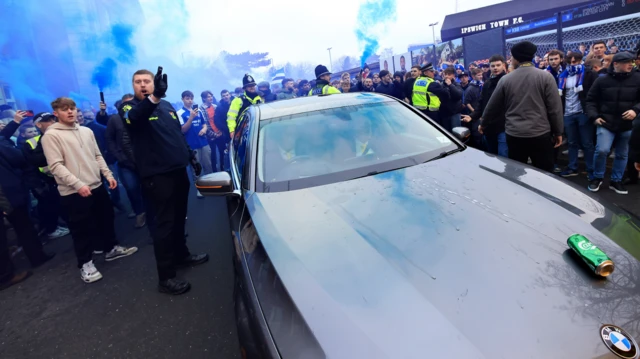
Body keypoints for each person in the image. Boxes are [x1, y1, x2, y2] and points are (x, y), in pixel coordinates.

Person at [121, 68, 209, 294]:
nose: (142, 84)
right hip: (157, 176)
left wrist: (190, 156)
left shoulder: (167, 106)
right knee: (164, 225)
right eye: (138, 82)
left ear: (154, 83)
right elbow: (134, 119)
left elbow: (177, 134)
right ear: (133, 86)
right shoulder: (129, 108)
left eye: (147, 81)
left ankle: (182, 256)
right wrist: (154, 97)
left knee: (180, 217)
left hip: (178, 170)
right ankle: (166, 277)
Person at [42, 98, 137, 283]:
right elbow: (55, 166)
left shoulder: (86, 131)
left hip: (97, 185)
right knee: (81, 229)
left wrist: (108, 175)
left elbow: (97, 155)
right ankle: (85, 264)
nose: (70, 112)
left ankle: (111, 249)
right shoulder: (51, 136)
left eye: (72, 108)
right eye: (64, 109)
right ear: (56, 113)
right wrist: (78, 184)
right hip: (73, 192)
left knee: (106, 219)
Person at [482, 41, 564, 172]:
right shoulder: (546, 77)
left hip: (515, 135)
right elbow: (555, 109)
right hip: (540, 134)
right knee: (544, 172)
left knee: (516, 173)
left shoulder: (506, 80)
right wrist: (558, 131)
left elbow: (492, 106)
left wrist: (483, 124)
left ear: (515, 58)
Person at [0, 111, 56, 291]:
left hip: (7, 193)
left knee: (22, 227)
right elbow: (17, 158)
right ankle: (8, 274)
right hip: (8, 193)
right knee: (24, 227)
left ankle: (29, 260)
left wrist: (14, 123)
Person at [586, 52, 640, 194]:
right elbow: (590, 100)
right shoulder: (602, 80)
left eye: (632, 62)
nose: (631, 64)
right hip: (605, 122)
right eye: (627, 62)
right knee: (602, 150)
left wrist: (635, 110)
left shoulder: (638, 78)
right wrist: (594, 117)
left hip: (627, 124)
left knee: (622, 154)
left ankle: (616, 180)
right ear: (615, 64)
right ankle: (597, 177)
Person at [22, 112, 70, 239]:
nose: (52, 122)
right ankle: (51, 229)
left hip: (60, 177)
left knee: (59, 204)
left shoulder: (60, 134)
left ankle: (58, 225)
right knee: (48, 206)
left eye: (53, 120)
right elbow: (32, 164)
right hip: (43, 181)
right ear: (39, 125)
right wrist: (37, 184)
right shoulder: (32, 143)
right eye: (48, 121)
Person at [105, 94, 146, 228]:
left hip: (143, 160)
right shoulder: (115, 119)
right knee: (132, 188)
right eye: (126, 103)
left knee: (148, 188)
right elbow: (110, 140)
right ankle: (139, 212)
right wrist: (120, 157)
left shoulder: (141, 117)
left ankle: (150, 212)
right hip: (125, 163)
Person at [558, 51, 598, 179]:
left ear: (581, 60)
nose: (572, 63)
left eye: (575, 61)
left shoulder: (589, 74)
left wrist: (591, 111)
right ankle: (572, 167)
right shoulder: (563, 75)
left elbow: (595, 93)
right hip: (568, 113)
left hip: (583, 112)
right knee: (572, 143)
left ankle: (591, 170)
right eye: (570, 61)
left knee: (587, 143)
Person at [465, 55, 508, 157]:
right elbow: (482, 103)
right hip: (489, 126)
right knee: (491, 156)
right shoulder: (487, 83)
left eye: (498, 65)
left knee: (504, 157)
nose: (495, 68)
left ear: (503, 66)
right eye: (493, 66)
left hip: (504, 126)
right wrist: (472, 116)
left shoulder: (508, 81)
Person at [177, 90, 212, 198]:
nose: (190, 100)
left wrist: (204, 129)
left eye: (191, 98)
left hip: (203, 142)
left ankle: (211, 185)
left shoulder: (199, 111)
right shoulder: (180, 113)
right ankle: (200, 188)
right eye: (187, 98)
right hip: (191, 145)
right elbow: (183, 130)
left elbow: (204, 124)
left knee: (208, 165)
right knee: (196, 168)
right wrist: (191, 117)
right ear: (182, 99)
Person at [411, 63, 450, 128]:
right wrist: (446, 85)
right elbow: (446, 94)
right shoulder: (431, 84)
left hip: (418, 112)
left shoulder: (416, 81)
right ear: (425, 73)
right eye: (431, 71)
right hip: (431, 113)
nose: (433, 73)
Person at [228, 74, 263, 139]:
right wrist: (232, 130)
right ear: (245, 88)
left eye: (253, 85)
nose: (252, 87)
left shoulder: (260, 99)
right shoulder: (237, 100)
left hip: (259, 128)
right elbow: (231, 117)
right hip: (243, 131)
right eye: (249, 86)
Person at [199, 90, 224, 173]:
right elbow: (204, 124)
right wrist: (214, 135)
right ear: (204, 98)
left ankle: (223, 169)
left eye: (211, 96)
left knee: (222, 152)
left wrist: (220, 131)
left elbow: (220, 120)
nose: (211, 98)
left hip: (219, 133)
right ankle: (215, 172)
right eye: (208, 97)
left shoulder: (215, 106)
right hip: (210, 136)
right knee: (212, 155)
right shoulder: (201, 109)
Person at [213, 90, 234, 172]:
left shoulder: (235, 102)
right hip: (226, 132)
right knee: (225, 152)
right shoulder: (219, 107)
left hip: (238, 129)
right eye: (224, 95)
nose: (226, 97)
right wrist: (225, 129)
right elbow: (216, 120)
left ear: (230, 95)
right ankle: (224, 170)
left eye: (227, 95)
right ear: (221, 97)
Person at [439, 67, 464, 131]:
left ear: (453, 75)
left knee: (456, 131)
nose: (447, 76)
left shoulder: (456, 84)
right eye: (445, 74)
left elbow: (458, 95)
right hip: (444, 112)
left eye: (449, 74)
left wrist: (450, 85)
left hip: (455, 112)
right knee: (445, 131)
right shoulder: (441, 85)